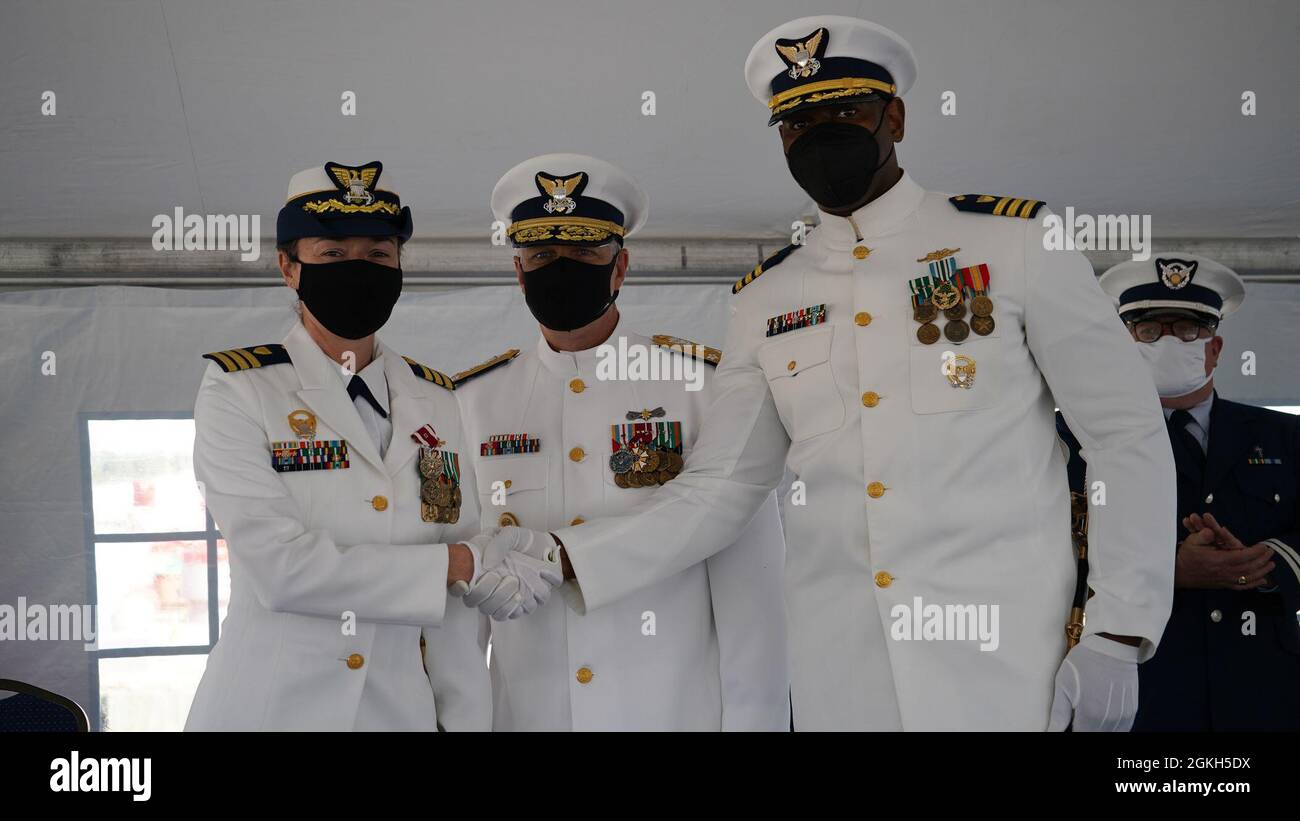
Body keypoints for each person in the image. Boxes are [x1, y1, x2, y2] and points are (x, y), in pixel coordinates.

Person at [466, 15, 1175, 731]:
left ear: (893, 116)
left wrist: (1119, 628)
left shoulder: (1018, 242)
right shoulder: (766, 297)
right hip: (844, 676)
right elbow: (725, 488)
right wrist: (566, 553)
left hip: (1004, 660)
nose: (818, 136)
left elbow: (1123, 434)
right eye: (798, 124)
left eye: (844, 112)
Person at [454, 154, 789, 731]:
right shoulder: (470, 404)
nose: (561, 268)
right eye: (542, 256)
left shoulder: (704, 388)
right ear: (519, 270)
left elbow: (753, 596)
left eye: (584, 254)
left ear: (620, 267)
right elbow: (462, 608)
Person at [186, 161, 498, 730]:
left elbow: (457, 603)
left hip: (397, 713)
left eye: (378, 255)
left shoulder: (437, 399)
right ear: (289, 266)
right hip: (269, 712)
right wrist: (448, 564)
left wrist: (465, 720)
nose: (359, 269)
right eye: (332, 254)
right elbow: (283, 570)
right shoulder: (241, 389)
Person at [1060, 254, 1300, 730]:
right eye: (1149, 330)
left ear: (1215, 348)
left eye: (1188, 329)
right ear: (1124, 345)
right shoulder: (1069, 441)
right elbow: (1034, 548)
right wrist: (1160, 571)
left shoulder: (1285, 438)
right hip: (1132, 683)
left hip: (1260, 684)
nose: (1169, 341)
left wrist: (1264, 563)